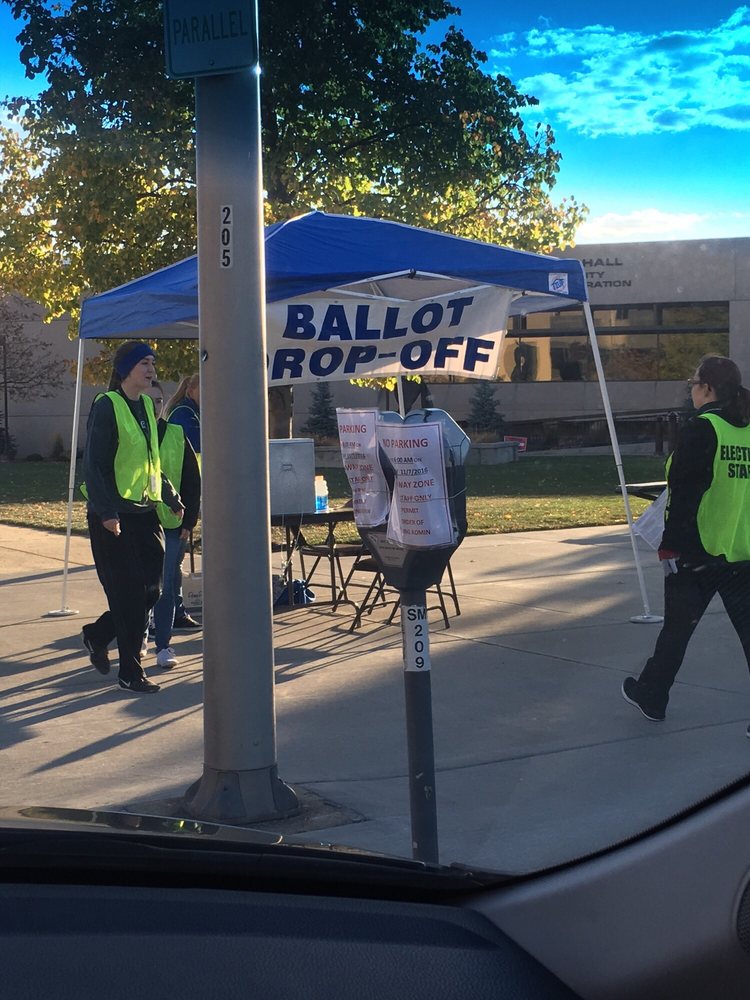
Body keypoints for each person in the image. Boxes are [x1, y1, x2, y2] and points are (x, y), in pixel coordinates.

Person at [622, 354, 750, 728]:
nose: (691, 390)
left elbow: (683, 495)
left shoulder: (702, 429)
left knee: (677, 629)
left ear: (707, 388)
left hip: (697, 552)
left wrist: (670, 547)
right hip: (740, 552)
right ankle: (650, 691)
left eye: (693, 383)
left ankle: (653, 695)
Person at [81, 342, 184, 694]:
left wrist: (169, 495)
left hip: (145, 513)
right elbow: (94, 464)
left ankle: (99, 633)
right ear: (126, 368)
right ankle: (130, 673)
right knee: (127, 595)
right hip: (113, 515)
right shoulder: (107, 405)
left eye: (153, 361)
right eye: (144, 362)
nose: (152, 367)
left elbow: (150, 460)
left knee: (151, 591)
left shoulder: (145, 407)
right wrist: (106, 511)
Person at [147, 380, 201, 669]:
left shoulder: (177, 433)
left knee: (166, 585)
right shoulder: (132, 434)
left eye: (158, 401)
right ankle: (140, 633)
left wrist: (189, 518)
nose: (153, 406)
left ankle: (164, 644)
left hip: (171, 521)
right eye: (147, 400)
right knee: (141, 586)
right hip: (136, 520)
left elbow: (192, 480)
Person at [163, 372, 202, 631]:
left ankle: (174, 608)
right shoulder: (183, 415)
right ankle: (167, 611)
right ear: (190, 389)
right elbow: (197, 444)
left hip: (191, 492)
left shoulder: (195, 413)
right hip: (175, 496)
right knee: (170, 559)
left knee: (175, 559)